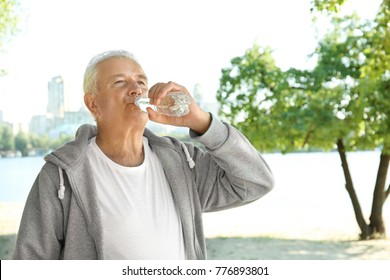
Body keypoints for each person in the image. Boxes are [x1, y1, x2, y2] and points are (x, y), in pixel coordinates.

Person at [13, 50, 274, 260]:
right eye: (120, 82)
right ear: (93, 103)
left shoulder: (183, 162)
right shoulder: (61, 176)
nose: (136, 89)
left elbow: (256, 181)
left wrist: (202, 121)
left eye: (141, 82)